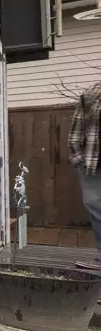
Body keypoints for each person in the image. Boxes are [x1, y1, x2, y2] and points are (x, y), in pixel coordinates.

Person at [68, 80, 101, 268]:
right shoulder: (91, 94)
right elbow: (76, 130)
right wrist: (78, 158)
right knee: (96, 208)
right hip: (93, 163)